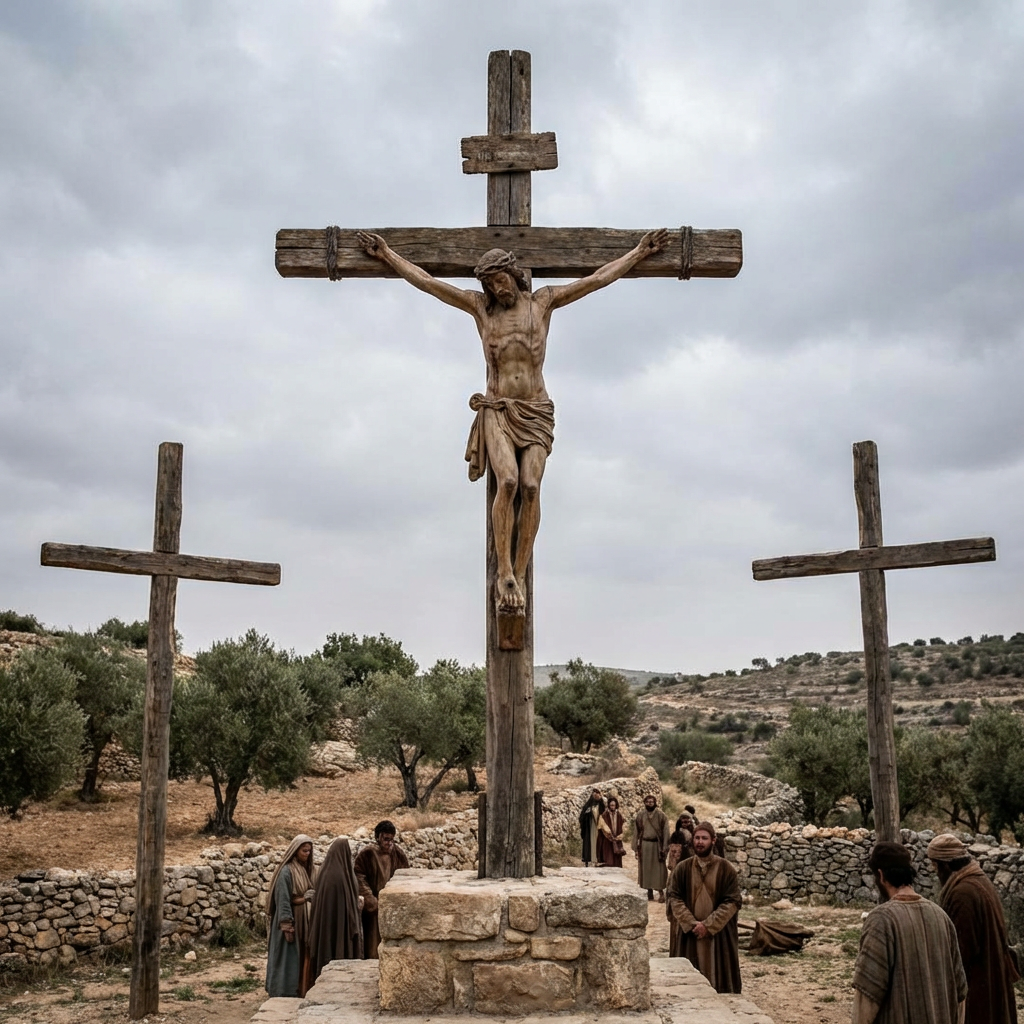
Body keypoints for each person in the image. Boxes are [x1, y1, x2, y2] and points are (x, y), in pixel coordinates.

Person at [356, 228, 668, 618]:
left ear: (513, 274)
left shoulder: (544, 303)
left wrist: (638, 252)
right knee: (507, 482)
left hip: (536, 410)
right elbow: (428, 283)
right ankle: (503, 570)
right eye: (488, 284)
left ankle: (518, 574)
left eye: (498, 280)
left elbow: (596, 279)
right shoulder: (480, 309)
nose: (495, 290)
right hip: (498, 410)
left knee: (532, 488)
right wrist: (387, 255)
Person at [852, 840, 967, 1024]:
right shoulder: (941, 916)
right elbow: (960, 993)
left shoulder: (881, 920)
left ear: (880, 875)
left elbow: (868, 995)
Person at [927, 833, 1020, 1024]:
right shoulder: (976, 881)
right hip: (990, 975)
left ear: (945, 865)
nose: (934, 871)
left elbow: (961, 952)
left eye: (935, 866)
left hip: (979, 984)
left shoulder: (964, 893)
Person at [667, 821, 742, 993]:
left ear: (713, 840)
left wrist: (708, 926)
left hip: (718, 935)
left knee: (720, 984)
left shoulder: (726, 869)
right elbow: (674, 898)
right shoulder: (682, 869)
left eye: (704, 838)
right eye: (697, 838)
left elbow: (732, 901)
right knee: (688, 987)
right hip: (689, 934)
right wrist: (693, 924)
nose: (700, 842)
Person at [305, 837, 364, 988]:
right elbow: (347, 906)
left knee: (328, 947)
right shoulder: (342, 875)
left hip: (326, 926)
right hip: (342, 924)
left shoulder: (325, 873)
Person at [265, 834, 317, 998]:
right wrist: (287, 925)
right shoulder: (286, 872)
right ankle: (282, 990)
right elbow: (283, 900)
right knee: (286, 957)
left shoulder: (306, 869)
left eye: (309, 851)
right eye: (304, 851)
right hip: (289, 921)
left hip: (304, 922)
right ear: (295, 851)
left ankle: (299, 989)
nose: (307, 854)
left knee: (300, 957)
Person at [353, 820, 410, 958]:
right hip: (374, 910)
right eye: (386, 839)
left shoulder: (397, 854)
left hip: (392, 907)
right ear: (378, 837)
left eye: (391, 840)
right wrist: (371, 901)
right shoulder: (367, 854)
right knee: (373, 945)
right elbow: (358, 876)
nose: (389, 843)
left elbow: (406, 875)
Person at [633, 793, 670, 901]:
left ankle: (661, 893)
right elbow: (636, 831)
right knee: (646, 869)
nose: (650, 804)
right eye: (648, 802)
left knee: (659, 869)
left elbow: (666, 831)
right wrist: (636, 847)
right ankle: (649, 891)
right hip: (645, 845)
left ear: (655, 803)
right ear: (644, 803)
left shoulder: (661, 815)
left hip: (657, 846)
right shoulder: (641, 815)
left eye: (651, 802)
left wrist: (664, 847)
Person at [578, 789, 605, 867]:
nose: (596, 796)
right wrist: (587, 815)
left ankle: (598, 859)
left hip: (599, 828)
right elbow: (582, 817)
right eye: (594, 794)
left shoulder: (601, 805)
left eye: (597, 794)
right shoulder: (588, 806)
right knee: (589, 844)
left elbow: (604, 814)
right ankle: (588, 860)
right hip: (589, 828)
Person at [597, 796, 625, 867]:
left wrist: (619, 836)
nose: (613, 807)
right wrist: (609, 835)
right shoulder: (604, 815)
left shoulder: (619, 814)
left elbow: (623, 825)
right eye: (611, 805)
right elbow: (602, 826)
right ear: (609, 805)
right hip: (607, 840)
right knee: (608, 858)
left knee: (617, 859)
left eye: (614, 805)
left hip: (617, 839)